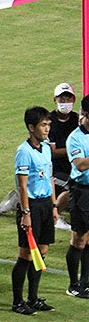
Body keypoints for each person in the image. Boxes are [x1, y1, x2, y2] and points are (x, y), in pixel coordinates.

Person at [10, 107, 57, 315]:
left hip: (46, 204)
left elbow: (50, 177)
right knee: (27, 254)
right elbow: (22, 185)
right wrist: (26, 213)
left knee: (42, 251)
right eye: (43, 125)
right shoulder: (23, 151)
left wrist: (54, 205)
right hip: (31, 206)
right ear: (31, 127)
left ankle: (33, 298)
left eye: (48, 125)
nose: (47, 129)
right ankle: (17, 302)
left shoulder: (46, 148)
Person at [64, 95, 89, 298]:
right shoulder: (75, 138)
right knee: (79, 239)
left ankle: (86, 283)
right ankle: (73, 285)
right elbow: (80, 164)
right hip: (82, 192)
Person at [49, 83, 77, 231]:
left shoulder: (77, 119)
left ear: (74, 100)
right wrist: (75, 150)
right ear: (55, 100)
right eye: (62, 99)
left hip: (71, 167)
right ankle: (55, 217)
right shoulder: (48, 122)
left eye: (68, 99)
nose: (65, 102)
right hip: (53, 170)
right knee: (71, 187)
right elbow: (52, 152)